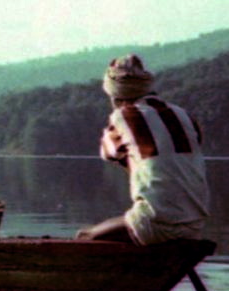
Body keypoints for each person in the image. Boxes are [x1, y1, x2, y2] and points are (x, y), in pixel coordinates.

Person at [77, 55, 210, 244]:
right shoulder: (184, 115)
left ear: (114, 95)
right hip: (194, 226)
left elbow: (109, 154)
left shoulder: (122, 117)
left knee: (85, 237)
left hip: (155, 224)